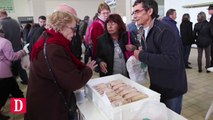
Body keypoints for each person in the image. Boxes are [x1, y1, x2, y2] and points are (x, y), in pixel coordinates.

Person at [24, 11, 97, 120]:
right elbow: (74, 82)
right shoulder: (54, 49)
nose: (75, 33)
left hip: (40, 101)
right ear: (62, 27)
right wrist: (88, 70)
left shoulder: (48, 38)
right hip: (48, 108)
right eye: (73, 29)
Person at [132, 0, 187, 114]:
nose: (134, 16)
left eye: (137, 11)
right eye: (133, 13)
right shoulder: (144, 30)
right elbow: (155, 53)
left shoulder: (164, 30)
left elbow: (172, 60)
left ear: (150, 11)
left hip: (172, 88)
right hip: (157, 85)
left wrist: (142, 55)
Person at [0, 29, 27, 120]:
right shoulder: (4, 41)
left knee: (15, 91)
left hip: (4, 74)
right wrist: (23, 52)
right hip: (4, 73)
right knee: (5, 94)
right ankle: (20, 112)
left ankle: (20, 111)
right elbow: (11, 57)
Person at [0, 9, 29, 85]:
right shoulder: (15, 21)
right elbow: (21, 33)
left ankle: (12, 87)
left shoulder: (1, 23)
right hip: (18, 47)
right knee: (20, 67)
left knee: (9, 70)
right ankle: (26, 81)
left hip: (7, 50)